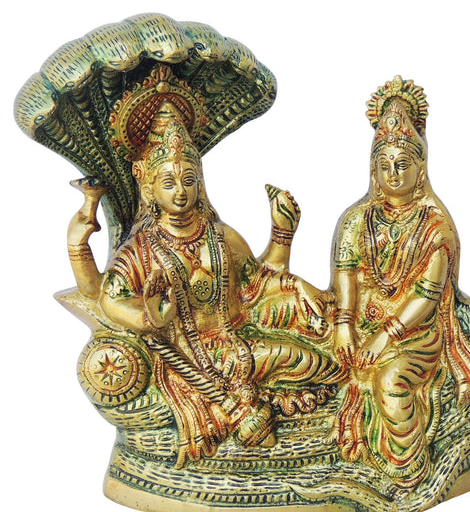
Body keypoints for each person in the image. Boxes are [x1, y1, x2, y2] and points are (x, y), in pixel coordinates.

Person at [68, 99, 343, 467]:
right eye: (169, 182)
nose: (180, 191)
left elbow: (258, 283)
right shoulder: (141, 250)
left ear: (200, 182)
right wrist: (149, 316)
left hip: (240, 336)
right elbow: (111, 299)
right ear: (149, 189)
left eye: (188, 180)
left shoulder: (219, 235)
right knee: (307, 363)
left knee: (321, 355)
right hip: (193, 356)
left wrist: (283, 232)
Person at [329, 78, 470, 493]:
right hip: (358, 324)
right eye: (384, 165)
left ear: (420, 168)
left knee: (389, 384)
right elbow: (345, 275)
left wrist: (384, 337)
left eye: (402, 164)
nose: (393, 174)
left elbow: (425, 297)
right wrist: (345, 326)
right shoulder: (356, 220)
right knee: (306, 353)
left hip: (414, 334)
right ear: (373, 169)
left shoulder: (433, 225)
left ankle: (409, 473)